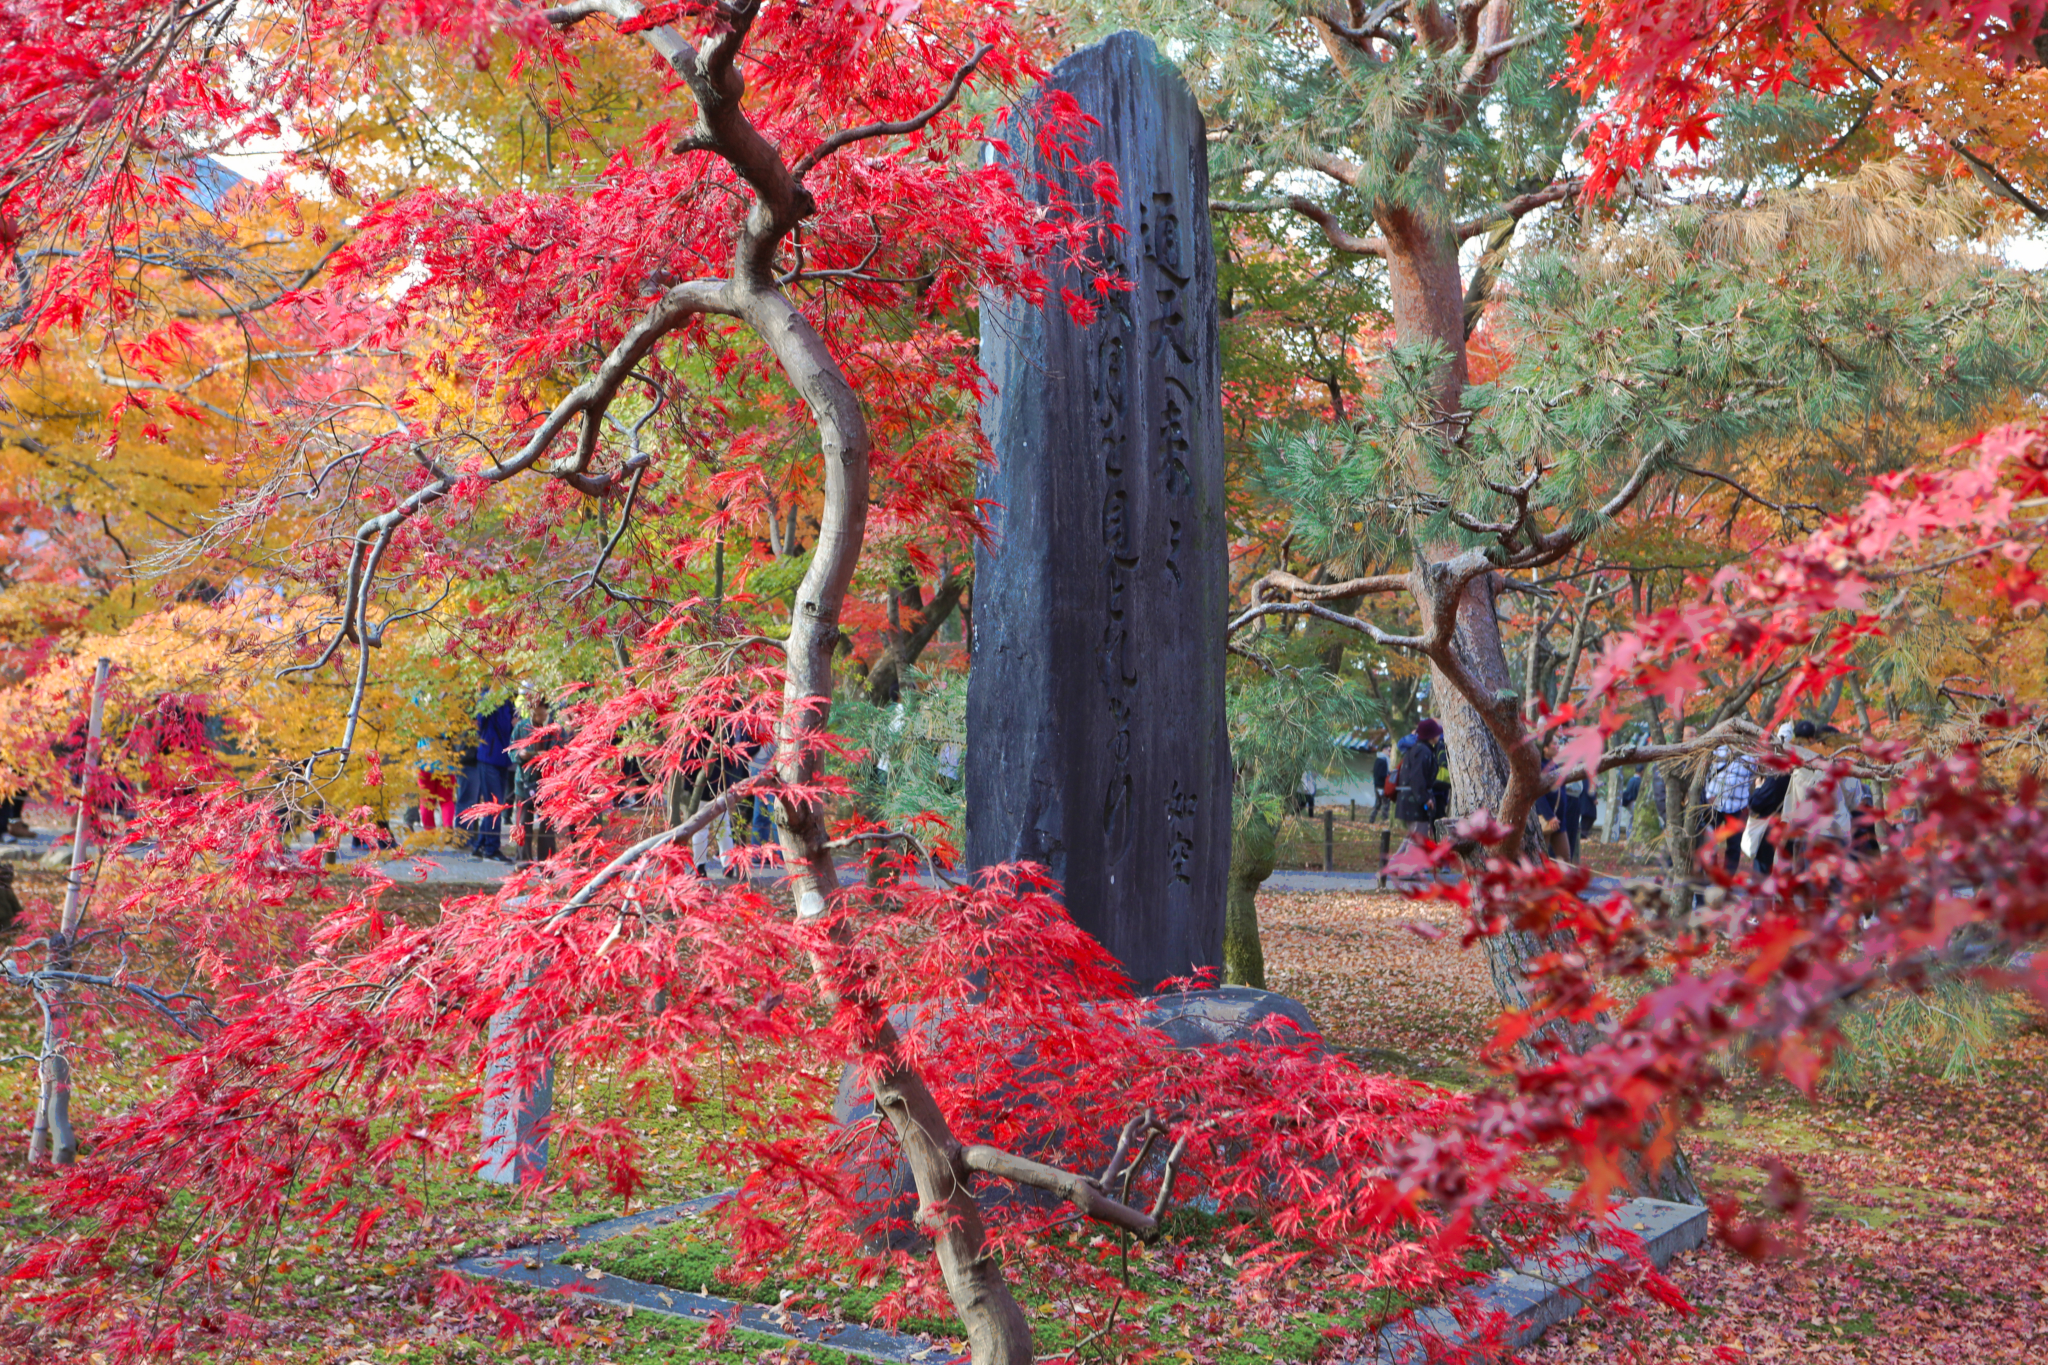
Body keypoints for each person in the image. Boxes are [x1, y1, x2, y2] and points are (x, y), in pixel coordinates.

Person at [458, 689, 516, 860]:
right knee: (494, 804)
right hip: (489, 757)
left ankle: (480, 845)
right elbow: (479, 723)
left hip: (503, 758)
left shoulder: (508, 700)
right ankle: (491, 848)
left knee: (496, 804)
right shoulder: (486, 698)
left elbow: (512, 723)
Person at [509, 693, 560, 865]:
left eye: (542, 714)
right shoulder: (522, 727)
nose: (539, 717)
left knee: (547, 826)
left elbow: (560, 751)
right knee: (523, 824)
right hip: (524, 781)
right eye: (535, 714)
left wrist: (547, 756)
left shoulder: (555, 729)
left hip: (546, 783)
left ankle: (547, 864)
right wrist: (519, 754)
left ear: (547, 711)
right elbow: (511, 750)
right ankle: (522, 862)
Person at [1701, 742, 1757, 874]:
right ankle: (1708, 874)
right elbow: (1705, 773)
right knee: (1708, 842)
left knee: (1734, 846)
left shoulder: (1752, 754)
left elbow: (1754, 777)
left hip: (1739, 806)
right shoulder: (1718, 749)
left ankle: (1727, 879)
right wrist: (1706, 795)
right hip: (1714, 804)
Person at [1394, 718, 1441, 842]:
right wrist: (1425, 798)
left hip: (1411, 803)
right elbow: (1417, 777)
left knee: (1411, 840)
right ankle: (1402, 862)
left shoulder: (1418, 749)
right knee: (1418, 843)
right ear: (1431, 735)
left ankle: (1393, 862)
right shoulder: (1422, 751)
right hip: (1415, 805)